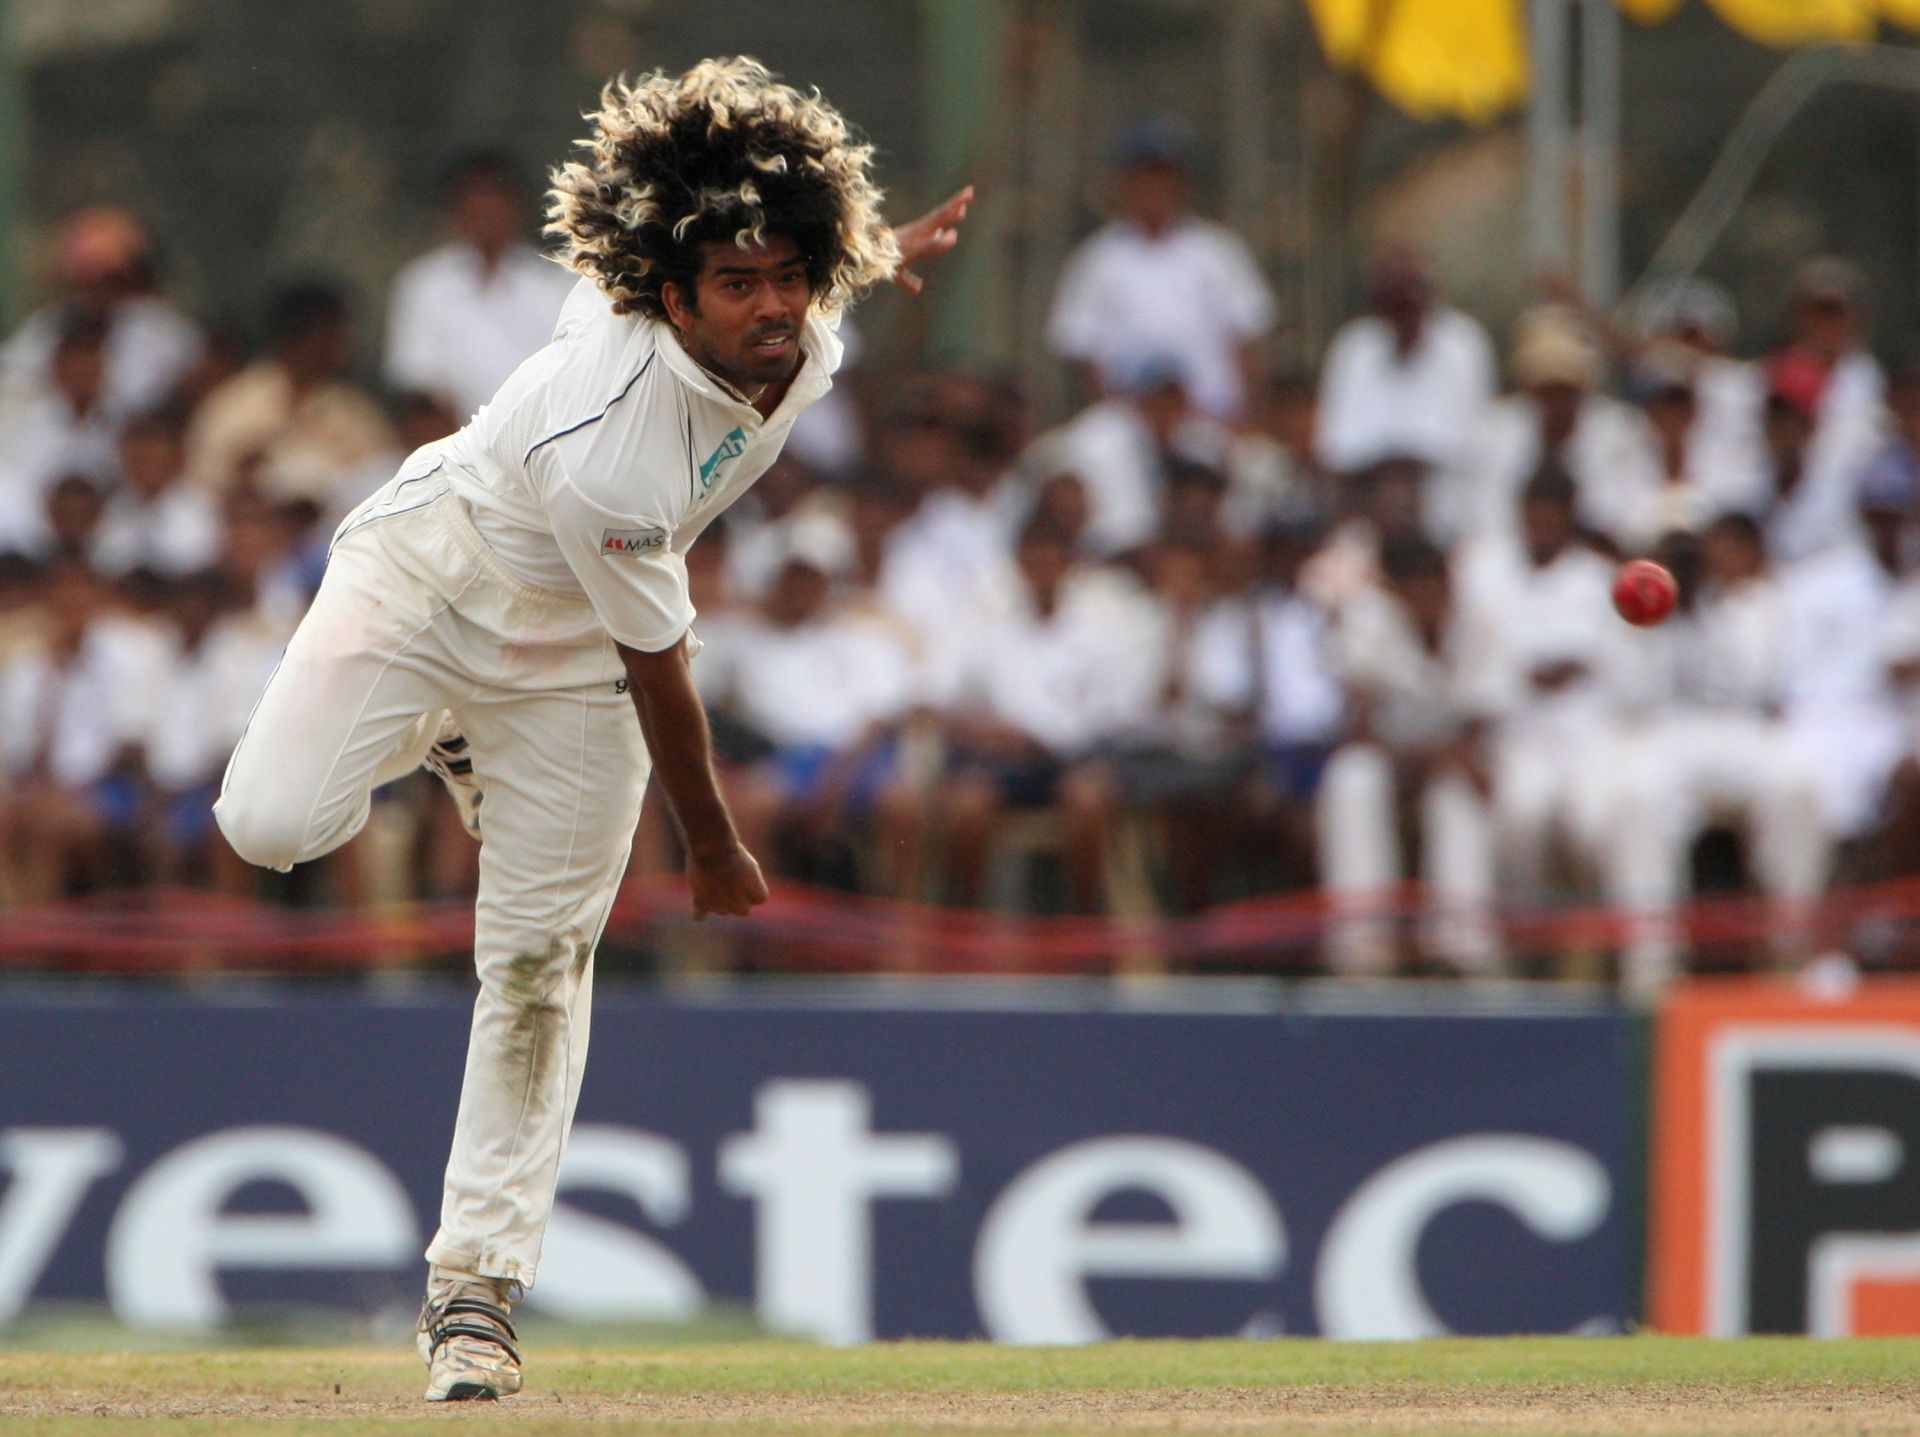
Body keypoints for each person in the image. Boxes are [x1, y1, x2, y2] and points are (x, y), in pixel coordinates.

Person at [211, 57, 969, 1402]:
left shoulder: (799, 324)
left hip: (569, 672)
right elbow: (665, 666)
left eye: (791, 273)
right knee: (270, 826)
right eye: (736, 285)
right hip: (432, 580)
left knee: (542, 964)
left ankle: (474, 1297)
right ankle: (449, 737)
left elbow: (806, 284)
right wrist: (715, 844)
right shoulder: (617, 436)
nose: (773, 305)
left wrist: (875, 252)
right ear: (666, 300)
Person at [1045, 118, 1275, 421]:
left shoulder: (1218, 251)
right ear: (1123, 183)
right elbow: (1086, 356)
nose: (1152, 187)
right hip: (1126, 423)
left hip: (1211, 419)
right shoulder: (1096, 259)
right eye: (1142, 176)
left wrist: (1245, 418)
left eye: (1161, 175)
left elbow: (1246, 340)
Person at [384, 151, 576, 422]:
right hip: (452, 446)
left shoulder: (556, 284)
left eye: (495, 200)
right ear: (455, 207)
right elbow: (421, 385)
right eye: (474, 203)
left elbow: (568, 377)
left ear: (517, 206)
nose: (485, 213)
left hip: (543, 436)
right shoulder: (422, 284)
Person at [1314, 249, 1495, 479]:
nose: (1400, 316)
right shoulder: (1354, 347)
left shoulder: (1464, 345)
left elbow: (1467, 448)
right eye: (1391, 304)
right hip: (1372, 493)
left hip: (1444, 496)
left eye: (1408, 304)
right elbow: (1337, 450)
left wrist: (1399, 464)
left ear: (1429, 298)